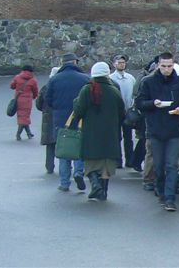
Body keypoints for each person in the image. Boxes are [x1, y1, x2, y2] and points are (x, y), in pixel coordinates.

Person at [135, 52, 179, 212]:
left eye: (169, 66)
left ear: (173, 65)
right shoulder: (148, 82)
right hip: (155, 129)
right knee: (159, 166)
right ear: (158, 65)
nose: (166, 69)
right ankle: (161, 191)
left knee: (171, 165)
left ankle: (170, 198)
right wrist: (153, 103)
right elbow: (139, 103)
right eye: (163, 66)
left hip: (174, 129)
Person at [73, 62, 125, 201]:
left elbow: (78, 111)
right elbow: (122, 113)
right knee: (106, 165)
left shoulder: (87, 90)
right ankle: (103, 192)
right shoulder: (114, 90)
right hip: (110, 133)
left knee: (91, 161)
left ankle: (95, 185)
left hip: (91, 132)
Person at [46, 53, 90, 192]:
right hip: (80, 118)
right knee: (79, 147)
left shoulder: (54, 79)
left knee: (64, 150)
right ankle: (78, 173)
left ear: (62, 63)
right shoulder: (85, 78)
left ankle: (64, 183)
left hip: (60, 119)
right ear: (75, 62)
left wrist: (58, 108)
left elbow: (48, 100)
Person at [109, 55, 137, 168]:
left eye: (123, 62)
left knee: (128, 137)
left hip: (128, 111)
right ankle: (118, 160)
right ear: (114, 64)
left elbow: (134, 93)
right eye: (119, 62)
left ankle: (129, 160)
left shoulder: (130, 78)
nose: (122, 64)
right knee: (116, 137)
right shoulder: (110, 78)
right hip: (115, 112)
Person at [36, 67, 60, 174]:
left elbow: (38, 104)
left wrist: (45, 110)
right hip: (60, 117)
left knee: (50, 144)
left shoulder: (45, 88)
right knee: (63, 142)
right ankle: (65, 166)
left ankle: (49, 166)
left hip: (48, 118)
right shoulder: (61, 87)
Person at [10, 65, 39, 140]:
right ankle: (18, 134)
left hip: (18, 99)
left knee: (22, 117)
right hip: (27, 101)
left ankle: (29, 133)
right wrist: (34, 97)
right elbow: (35, 91)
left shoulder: (17, 77)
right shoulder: (33, 80)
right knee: (25, 117)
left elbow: (12, 86)